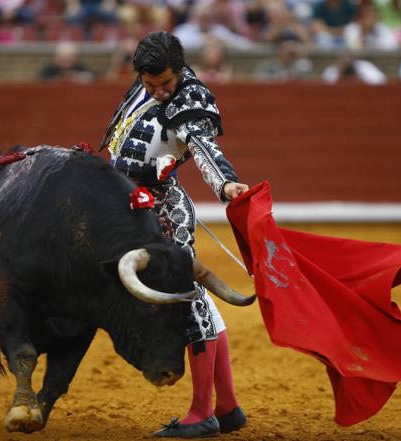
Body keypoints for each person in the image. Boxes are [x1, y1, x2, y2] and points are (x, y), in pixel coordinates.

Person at [99, 31, 249, 438]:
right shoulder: (147, 81)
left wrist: (226, 185)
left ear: (179, 71)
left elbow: (204, 148)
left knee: (187, 298)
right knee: (197, 298)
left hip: (162, 212)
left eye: (165, 83)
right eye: (151, 85)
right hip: (128, 205)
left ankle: (202, 413)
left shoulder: (190, 100)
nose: (159, 92)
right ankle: (228, 405)